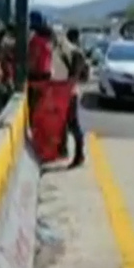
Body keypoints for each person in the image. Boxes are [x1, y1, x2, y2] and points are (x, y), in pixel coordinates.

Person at [58, 28, 89, 167]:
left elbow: (77, 75)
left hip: (69, 92)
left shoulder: (74, 53)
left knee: (73, 123)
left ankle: (79, 155)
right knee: (67, 122)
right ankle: (66, 151)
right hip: (69, 91)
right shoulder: (75, 52)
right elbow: (83, 77)